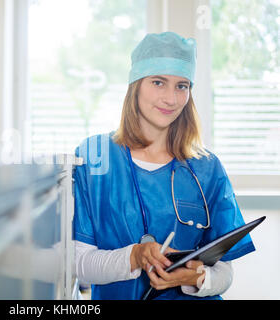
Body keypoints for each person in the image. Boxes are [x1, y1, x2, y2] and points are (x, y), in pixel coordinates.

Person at [72, 31, 255, 300]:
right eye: (158, 82)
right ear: (135, 85)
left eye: (182, 86)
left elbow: (225, 272)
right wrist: (134, 256)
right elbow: (80, 265)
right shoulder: (95, 156)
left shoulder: (206, 167)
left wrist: (199, 278)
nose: (171, 98)